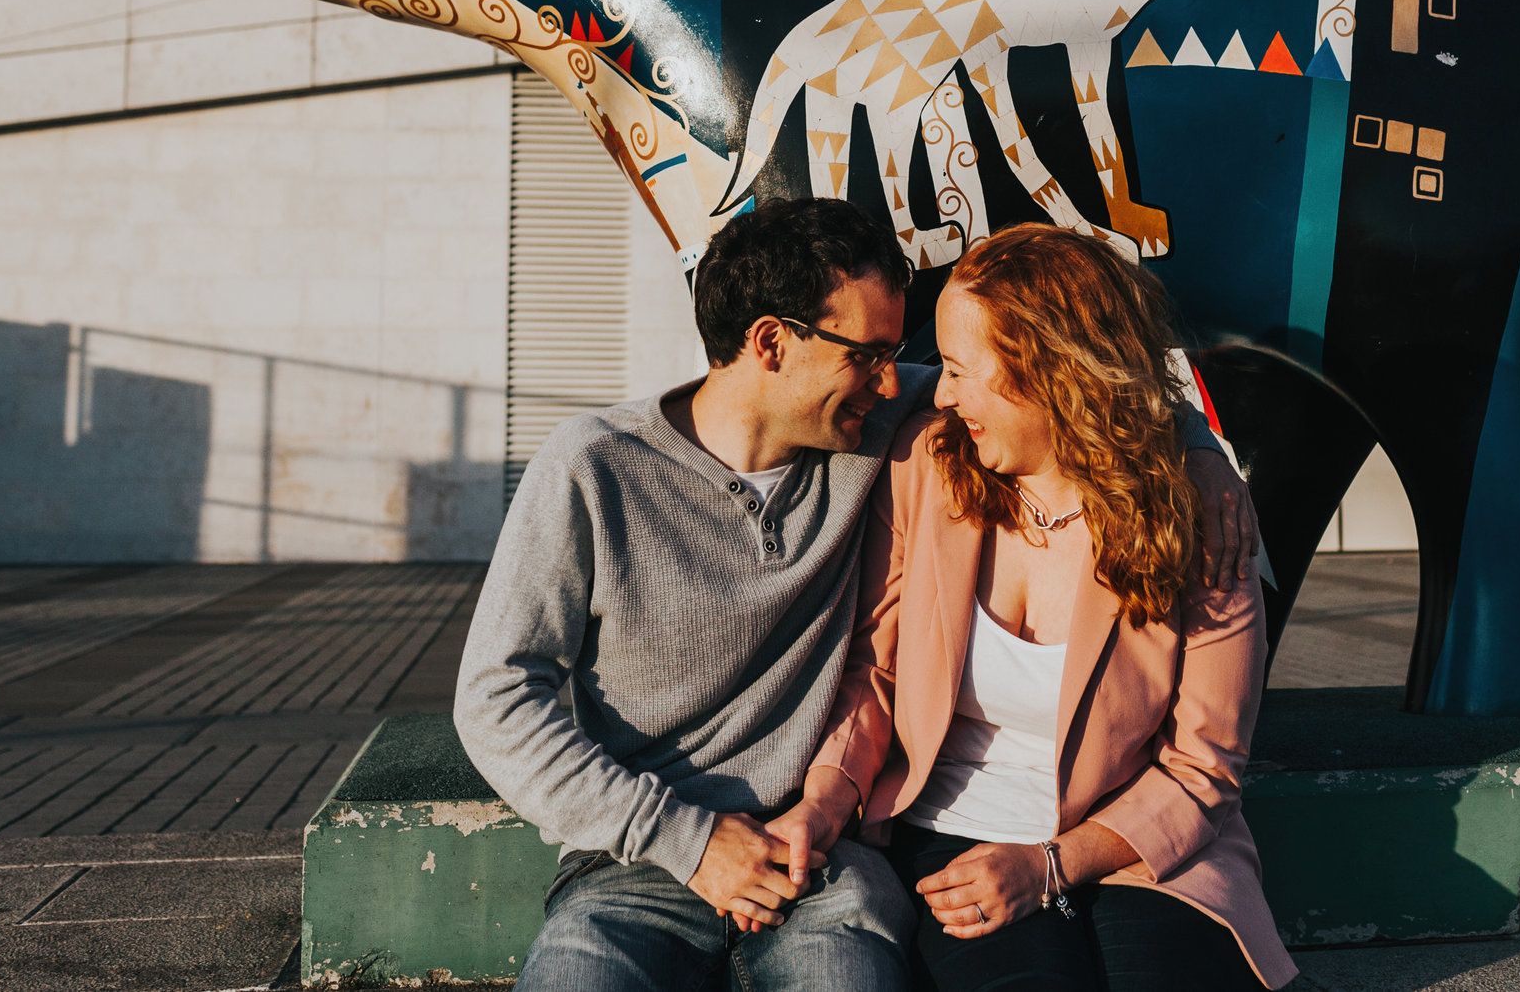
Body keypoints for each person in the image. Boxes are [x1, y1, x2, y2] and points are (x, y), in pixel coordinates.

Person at [455, 198, 1259, 992]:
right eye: (869, 352)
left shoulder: (876, 432)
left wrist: (1197, 449)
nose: (899, 379)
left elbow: (1078, 376)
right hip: (637, 861)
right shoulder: (594, 467)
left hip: (827, 858)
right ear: (771, 341)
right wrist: (687, 840)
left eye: (898, 354)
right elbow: (495, 700)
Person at [785, 222, 1296, 991]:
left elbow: (1204, 764)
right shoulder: (926, 465)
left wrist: (1051, 864)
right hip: (953, 838)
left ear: (1050, 372)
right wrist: (823, 802)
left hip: (1140, 848)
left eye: (959, 368)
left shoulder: (1195, 513)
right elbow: (877, 673)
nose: (940, 390)